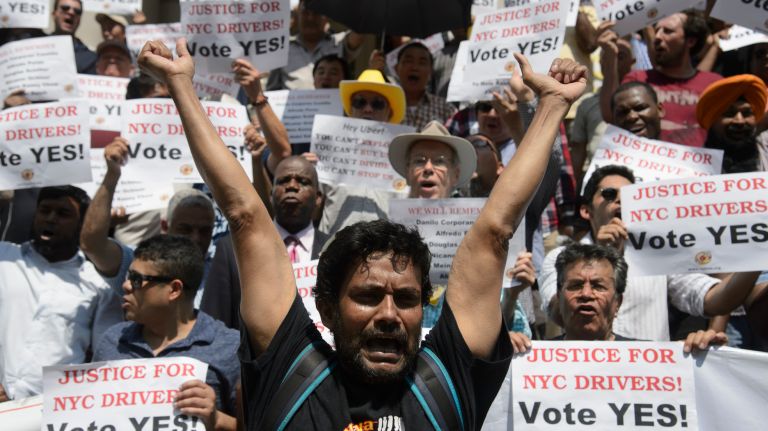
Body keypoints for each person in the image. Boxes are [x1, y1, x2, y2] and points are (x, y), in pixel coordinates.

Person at [137, 37, 587, 429]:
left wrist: (551, 106)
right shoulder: (291, 365)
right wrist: (181, 86)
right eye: (369, 296)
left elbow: (495, 231)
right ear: (328, 309)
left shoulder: (446, 375)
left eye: (407, 299)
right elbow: (244, 215)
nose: (390, 314)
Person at [539, 165, 763, 341]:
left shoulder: (659, 255)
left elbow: (716, 301)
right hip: (579, 378)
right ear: (586, 210)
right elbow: (558, 313)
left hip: (647, 383)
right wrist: (603, 255)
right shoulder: (560, 257)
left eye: (629, 194)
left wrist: (759, 253)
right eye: (608, 193)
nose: (620, 199)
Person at [93, 235, 239, 431]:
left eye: (137, 280)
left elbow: (261, 425)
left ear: (174, 290)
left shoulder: (229, 348)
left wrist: (217, 420)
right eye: (129, 277)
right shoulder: (112, 342)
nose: (126, 285)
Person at [0, 186, 122, 400]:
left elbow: (104, 358)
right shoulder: (5, 258)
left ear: (82, 223)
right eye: (44, 211)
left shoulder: (98, 284)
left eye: (63, 213)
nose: (51, 219)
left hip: (51, 410)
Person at [510, 243, 728, 354]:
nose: (586, 294)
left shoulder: (654, 361)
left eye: (598, 286)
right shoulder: (532, 359)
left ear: (618, 302)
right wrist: (504, 354)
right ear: (559, 296)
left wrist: (701, 351)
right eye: (575, 286)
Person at [80, 139, 216, 307]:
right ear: (165, 226)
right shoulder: (140, 263)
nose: (195, 238)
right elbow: (93, 244)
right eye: (185, 229)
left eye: (204, 231)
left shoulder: (224, 269)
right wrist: (112, 175)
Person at [201, 156, 327, 329]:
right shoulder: (230, 249)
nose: (292, 186)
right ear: (271, 193)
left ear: (318, 198)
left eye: (303, 181)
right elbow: (213, 321)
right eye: (283, 181)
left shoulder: (334, 249)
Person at [600, 10, 721, 148]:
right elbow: (610, 116)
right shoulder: (638, 79)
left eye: (667, 31)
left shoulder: (714, 84)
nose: (657, 37)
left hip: (698, 166)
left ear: (691, 41)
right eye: (656, 30)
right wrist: (610, 55)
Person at [266, 0, 363, 90]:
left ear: (327, 17)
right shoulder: (281, 49)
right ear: (298, 15)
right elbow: (272, 92)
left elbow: (361, 27)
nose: (310, 18)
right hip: (293, 108)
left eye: (316, 13)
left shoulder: (339, 42)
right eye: (306, 13)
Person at [697, 74, 768, 173]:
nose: (740, 121)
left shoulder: (765, 151)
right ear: (712, 120)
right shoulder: (693, 166)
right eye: (729, 114)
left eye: (746, 113)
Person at [394, 42, 457, 129]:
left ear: (430, 72)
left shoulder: (447, 109)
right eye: (409, 61)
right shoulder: (382, 105)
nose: (414, 67)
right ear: (396, 68)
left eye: (422, 63)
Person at [50, 0, 97, 74]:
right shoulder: (37, 48)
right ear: (54, 14)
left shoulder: (91, 59)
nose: (71, 12)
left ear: (79, 20)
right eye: (65, 8)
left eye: (77, 11)